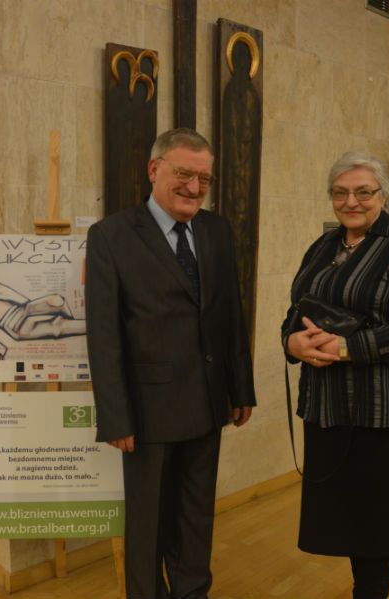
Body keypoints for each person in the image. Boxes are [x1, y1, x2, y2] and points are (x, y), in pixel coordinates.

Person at [86, 128, 256, 599]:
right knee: (148, 526)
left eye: (205, 179)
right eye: (184, 174)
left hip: (208, 404)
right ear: (154, 170)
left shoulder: (217, 230)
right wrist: (115, 416)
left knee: (196, 517)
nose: (194, 188)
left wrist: (240, 387)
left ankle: (192, 592)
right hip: (148, 412)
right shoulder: (111, 236)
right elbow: (103, 335)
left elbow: (230, 315)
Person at [282, 152, 389, 599]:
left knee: (378, 520)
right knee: (344, 515)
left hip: (382, 408)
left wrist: (345, 348)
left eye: (363, 192)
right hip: (327, 406)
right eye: (341, 192)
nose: (351, 201)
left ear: (382, 195)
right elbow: (296, 310)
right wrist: (292, 343)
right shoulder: (322, 246)